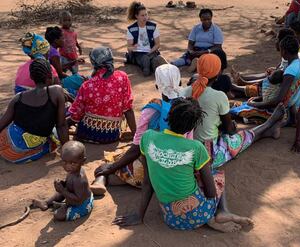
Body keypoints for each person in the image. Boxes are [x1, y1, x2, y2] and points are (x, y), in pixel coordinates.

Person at [112, 98, 254, 232]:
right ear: (192, 126)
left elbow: (148, 182)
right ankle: (219, 214)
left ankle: (211, 218)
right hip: (200, 213)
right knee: (216, 173)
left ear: (169, 115)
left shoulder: (148, 137)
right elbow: (211, 193)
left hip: (172, 219)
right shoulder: (196, 147)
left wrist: (139, 215)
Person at [90, 64, 186, 195]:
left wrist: (111, 168)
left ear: (157, 86)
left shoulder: (152, 108)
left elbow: (137, 147)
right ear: (180, 82)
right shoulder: (189, 107)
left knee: (107, 165)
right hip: (180, 168)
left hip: (152, 168)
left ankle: (103, 179)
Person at [181, 54, 285, 168]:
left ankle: (268, 131)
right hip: (207, 155)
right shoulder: (219, 96)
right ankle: (269, 123)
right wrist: (231, 127)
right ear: (218, 74)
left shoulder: (184, 92)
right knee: (242, 137)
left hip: (185, 148)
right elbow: (230, 130)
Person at [0, 59, 68, 163]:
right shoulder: (56, 91)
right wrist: (67, 150)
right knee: (53, 139)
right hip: (20, 152)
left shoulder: (18, 97)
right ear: (50, 76)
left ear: (31, 77)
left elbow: (3, 123)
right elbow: (61, 125)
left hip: (7, 146)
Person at [232, 35, 300, 123]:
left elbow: (278, 100)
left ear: (283, 51)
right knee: (248, 103)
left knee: (243, 110)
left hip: (287, 111)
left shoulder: (290, 71)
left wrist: (256, 105)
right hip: (297, 105)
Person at [68, 47, 137, 144]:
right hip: (110, 136)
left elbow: (76, 114)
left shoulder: (87, 85)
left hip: (86, 133)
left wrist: (65, 125)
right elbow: (128, 109)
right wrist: (136, 135)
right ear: (111, 58)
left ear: (93, 63)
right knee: (123, 119)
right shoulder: (122, 77)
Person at [32, 141, 93, 221]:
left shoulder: (79, 179)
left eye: (72, 163)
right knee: (61, 192)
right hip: (73, 198)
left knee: (58, 215)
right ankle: (46, 203)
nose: (67, 166)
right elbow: (70, 187)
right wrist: (63, 184)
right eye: (64, 162)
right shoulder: (73, 171)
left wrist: (63, 191)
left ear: (83, 161)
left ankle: (63, 206)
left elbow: (78, 201)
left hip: (82, 205)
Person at [125, 1, 167, 76]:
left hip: (152, 51)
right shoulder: (131, 29)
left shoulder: (153, 26)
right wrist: (133, 47)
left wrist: (150, 51)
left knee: (154, 59)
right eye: (142, 15)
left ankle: (154, 65)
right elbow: (129, 48)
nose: (145, 17)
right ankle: (148, 68)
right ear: (136, 16)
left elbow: (157, 44)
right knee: (145, 58)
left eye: (146, 15)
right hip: (138, 54)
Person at [45, 26, 85, 97]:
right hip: (58, 82)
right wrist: (72, 77)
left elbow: (57, 68)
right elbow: (60, 74)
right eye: (62, 38)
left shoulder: (50, 50)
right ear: (56, 40)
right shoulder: (54, 54)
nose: (64, 40)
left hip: (52, 81)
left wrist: (74, 62)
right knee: (83, 80)